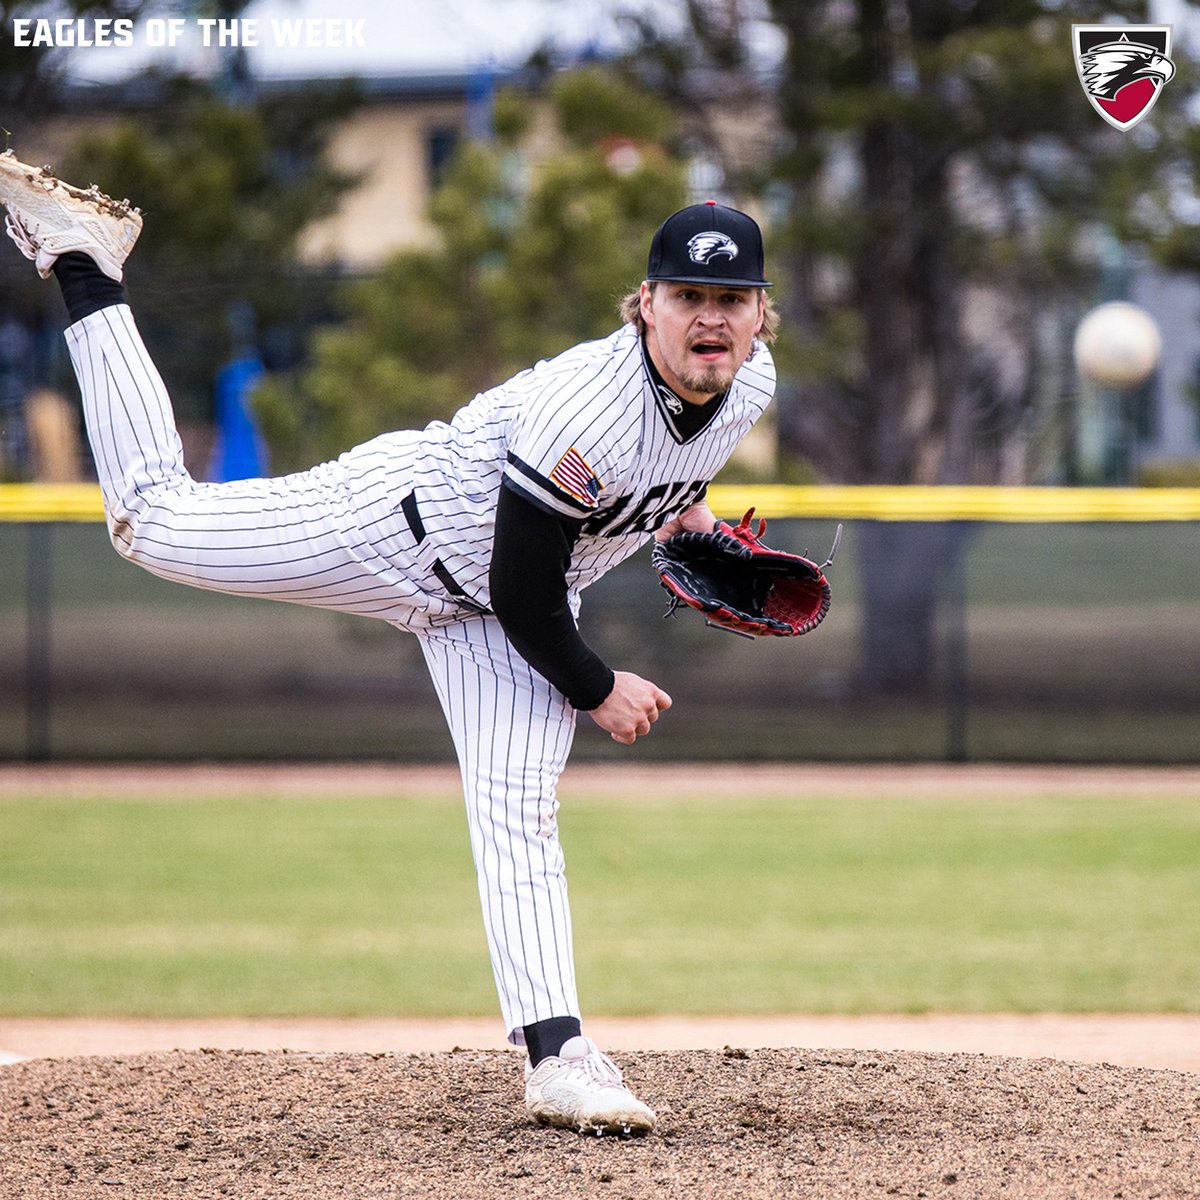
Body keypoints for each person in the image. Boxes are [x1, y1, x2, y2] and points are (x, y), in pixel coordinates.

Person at [0, 147, 778, 1135]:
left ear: (760, 314)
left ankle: (558, 1057)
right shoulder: (587, 410)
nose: (711, 316)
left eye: (731, 297)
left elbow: (672, 472)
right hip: (396, 531)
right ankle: (84, 264)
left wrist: (687, 524)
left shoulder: (746, 386)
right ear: (645, 304)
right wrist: (597, 688)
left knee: (519, 813)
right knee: (150, 524)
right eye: (687, 294)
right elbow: (524, 589)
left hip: (503, 608)